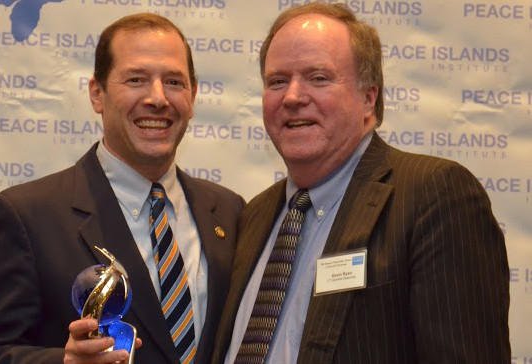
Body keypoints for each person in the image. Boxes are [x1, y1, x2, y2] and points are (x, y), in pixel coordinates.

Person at [212, 3, 510, 364]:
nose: (292, 97)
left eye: (318, 78)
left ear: (369, 97)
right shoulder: (255, 213)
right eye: (277, 81)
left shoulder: (433, 195)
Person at [0, 13, 244, 364]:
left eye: (174, 81)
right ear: (97, 94)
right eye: (136, 79)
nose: (158, 98)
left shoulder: (229, 212)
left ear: (193, 95)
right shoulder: (27, 215)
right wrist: (64, 362)